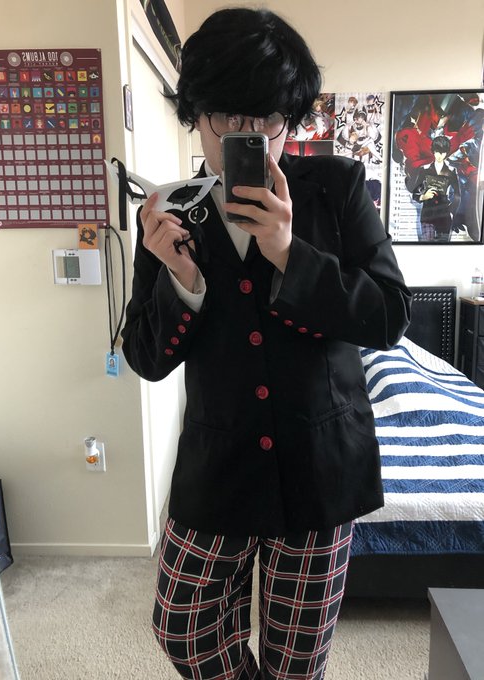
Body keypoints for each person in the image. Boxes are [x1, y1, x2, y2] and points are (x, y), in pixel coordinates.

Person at [122, 8, 411, 680]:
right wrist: (182, 280)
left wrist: (287, 251)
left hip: (320, 466)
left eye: (267, 120)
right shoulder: (169, 211)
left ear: (292, 118)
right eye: (226, 117)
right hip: (217, 463)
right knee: (181, 627)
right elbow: (145, 357)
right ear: (195, 114)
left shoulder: (337, 189)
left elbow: (390, 317)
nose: (245, 135)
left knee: (296, 662)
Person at [412, 135, 461, 242]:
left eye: (443, 152)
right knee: (427, 246)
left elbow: (457, 195)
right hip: (427, 215)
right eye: (437, 152)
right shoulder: (424, 170)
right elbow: (415, 193)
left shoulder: (451, 171)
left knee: (442, 248)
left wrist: (451, 211)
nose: (440, 155)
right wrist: (423, 197)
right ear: (433, 152)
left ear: (446, 153)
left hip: (444, 216)